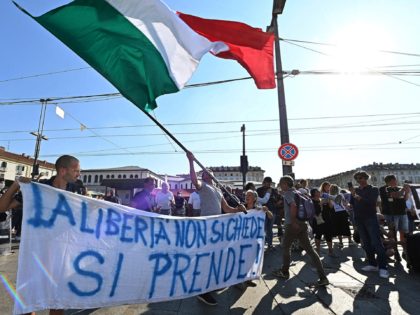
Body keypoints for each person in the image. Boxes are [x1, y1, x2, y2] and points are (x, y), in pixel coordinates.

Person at [0, 154, 81, 315]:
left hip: (62, 254)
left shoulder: (77, 189)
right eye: (76, 170)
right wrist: (16, 185)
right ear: (63, 170)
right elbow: (2, 208)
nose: (79, 174)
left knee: (57, 301)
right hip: (35, 253)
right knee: (28, 299)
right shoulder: (38, 188)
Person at [187, 151, 246, 306]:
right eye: (206, 172)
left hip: (217, 227)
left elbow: (226, 209)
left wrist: (238, 209)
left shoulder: (219, 190)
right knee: (206, 257)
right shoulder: (203, 186)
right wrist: (191, 161)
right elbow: (194, 180)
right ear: (204, 177)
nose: (209, 173)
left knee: (215, 256)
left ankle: (211, 283)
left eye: (210, 172)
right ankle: (202, 291)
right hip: (207, 225)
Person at [272, 176, 329, 286]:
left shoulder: (288, 193)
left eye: (280, 183)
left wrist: (293, 222)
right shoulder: (298, 192)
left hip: (292, 224)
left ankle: (284, 271)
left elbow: (293, 206)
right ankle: (323, 277)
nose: (280, 185)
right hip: (303, 224)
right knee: (310, 250)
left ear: (285, 183)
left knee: (285, 247)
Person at [350, 171, 389, 278]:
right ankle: (372, 264)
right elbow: (352, 204)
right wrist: (348, 204)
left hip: (370, 218)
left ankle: (383, 267)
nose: (359, 180)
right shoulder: (355, 190)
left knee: (376, 243)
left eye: (361, 178)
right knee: (366, 243)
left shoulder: (374, 189)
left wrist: (357, 197)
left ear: (366, 178)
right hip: (359, 219)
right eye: (357, 178)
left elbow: (371, 202)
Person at [379, 174, 409, 261]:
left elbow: (405, 199)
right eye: (395, 180)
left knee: (404, 233)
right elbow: (394, 195)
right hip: (391, 214)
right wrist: (403, 189)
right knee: (393, 234)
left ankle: (405, 251)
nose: (396, 181)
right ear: (390, 181)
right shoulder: (383, 189)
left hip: (402, 213)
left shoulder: (398, 188)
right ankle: (395, 252)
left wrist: (406, 192)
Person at [310, 188, 335, 257]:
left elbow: (331, 208)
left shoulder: (324, 200)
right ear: (314, 193)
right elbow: (316, 213)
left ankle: (331, 251)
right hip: (318, 221)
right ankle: (317, 252)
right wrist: (320, 204)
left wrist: (329, 201)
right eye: (317, 191)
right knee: (318, 236)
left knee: (328, 236)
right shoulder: (311, 202)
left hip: (327, 221)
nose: (319, 192)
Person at [257, 177, 278, 251]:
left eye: (269, 182)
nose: (267, 184)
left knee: (269, 229)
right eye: (266, 182)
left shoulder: (274, 190)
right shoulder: (259, 190)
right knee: (263, 228)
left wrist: (275, 202)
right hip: (263, 212)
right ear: (263, 182)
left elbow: (278, 199)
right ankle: (263, 244)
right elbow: (260, 201)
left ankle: (270, 244)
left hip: (272, 211)